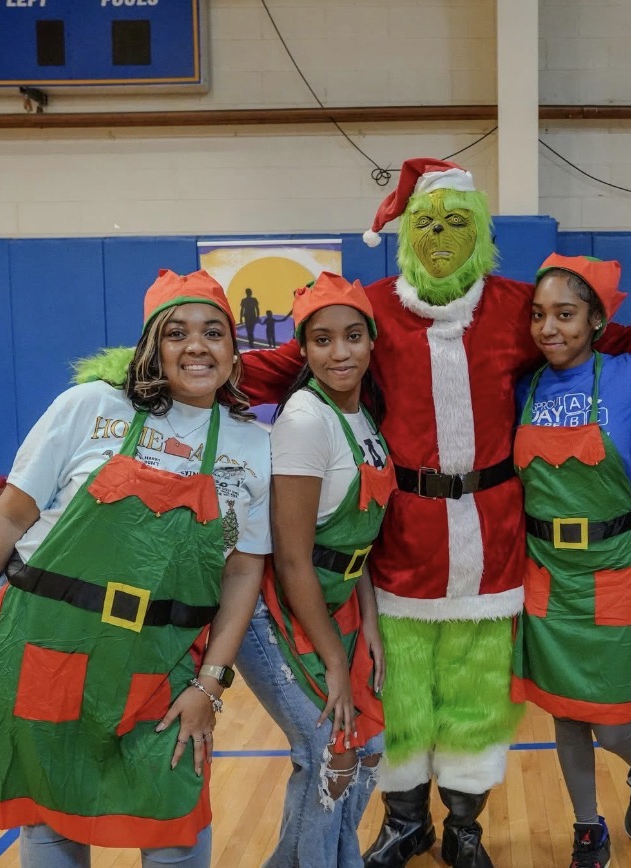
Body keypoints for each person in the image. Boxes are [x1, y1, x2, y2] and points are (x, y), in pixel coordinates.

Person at [239, 158, 631, 868]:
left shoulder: (518, 307)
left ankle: (464, 824)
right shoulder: (374, 311)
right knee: (401, 685)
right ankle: (403, 819)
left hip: (496, 533)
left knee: (481, 688)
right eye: (428, 224)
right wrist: (179, 362)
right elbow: (279, 363)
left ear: (481, 232)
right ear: (405, 234)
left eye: (458, 223)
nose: (442, 238)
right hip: (407, 538)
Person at [0, 269, 271, 866]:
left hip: (163, 661)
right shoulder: (89, 406)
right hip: (47, 643)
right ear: (150, 348)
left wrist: (212, 683)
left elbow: (242, 572)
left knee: (174, 821)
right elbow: (9, 519)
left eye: (213, 332)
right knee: (51, 816)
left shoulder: (252, 445)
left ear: (233, 349)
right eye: (176, 332)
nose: (196, 345)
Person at [511, 254, 631, 868]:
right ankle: (588, 826)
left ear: (597, 320)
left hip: (613, 566)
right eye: (539, 315)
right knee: (565, 713)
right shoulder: (523, 386)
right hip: (547, 568)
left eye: (566, 315)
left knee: (610, 723)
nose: (549, 328)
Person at [234, 272, 391, 868]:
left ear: (372, 341)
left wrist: (370, 620)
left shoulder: (364, 419)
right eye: (322, 340)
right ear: (303, 349)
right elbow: (295, 556)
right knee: (330, 751)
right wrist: (331, 659)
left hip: (343, 602)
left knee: (369, 746)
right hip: (283, 609)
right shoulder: (306, 420)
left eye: (353, 336)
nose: (340, 352)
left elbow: (361, 543)